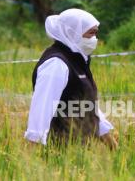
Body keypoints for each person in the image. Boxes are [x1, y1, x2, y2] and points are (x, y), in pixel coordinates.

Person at [24, 8, 117, 149]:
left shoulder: (78, 60)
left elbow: (90, 109)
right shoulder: (56, 64)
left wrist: (112, 146)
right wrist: (31, 161)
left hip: (78, 153)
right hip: (57, 153)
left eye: (96, 34)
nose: (95, 39)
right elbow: (41, 111)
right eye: (91, 33)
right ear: (73, 33)